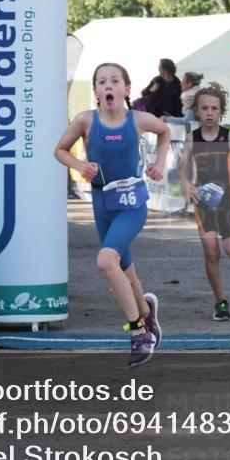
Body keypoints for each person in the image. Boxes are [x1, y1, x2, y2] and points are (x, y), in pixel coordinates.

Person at [54, 62, 169, 368]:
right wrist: (80, 166)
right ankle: (146, 311)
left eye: (114, 81)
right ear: (95, 92)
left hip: (132, 205)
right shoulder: (86, 121)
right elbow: (60, 150)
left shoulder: (139, 120)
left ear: (126, 89)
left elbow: (165, 132)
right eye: (102, 82)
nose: (108, 86)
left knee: (106, 261)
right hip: (102, 204)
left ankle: (138, 332)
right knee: (126, 273)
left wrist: (160, 163)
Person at [179, 83, 230, 322]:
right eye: (204, 108)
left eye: (214, 108)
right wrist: (186, 184)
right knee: (211, 252)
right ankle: (220, 301)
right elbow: (182, 167)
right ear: (197, 111)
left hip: (227, 203)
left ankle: (229, 241)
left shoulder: (229, 137)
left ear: (221, 111)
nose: (209, 113)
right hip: (203, 203)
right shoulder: (191, 139)